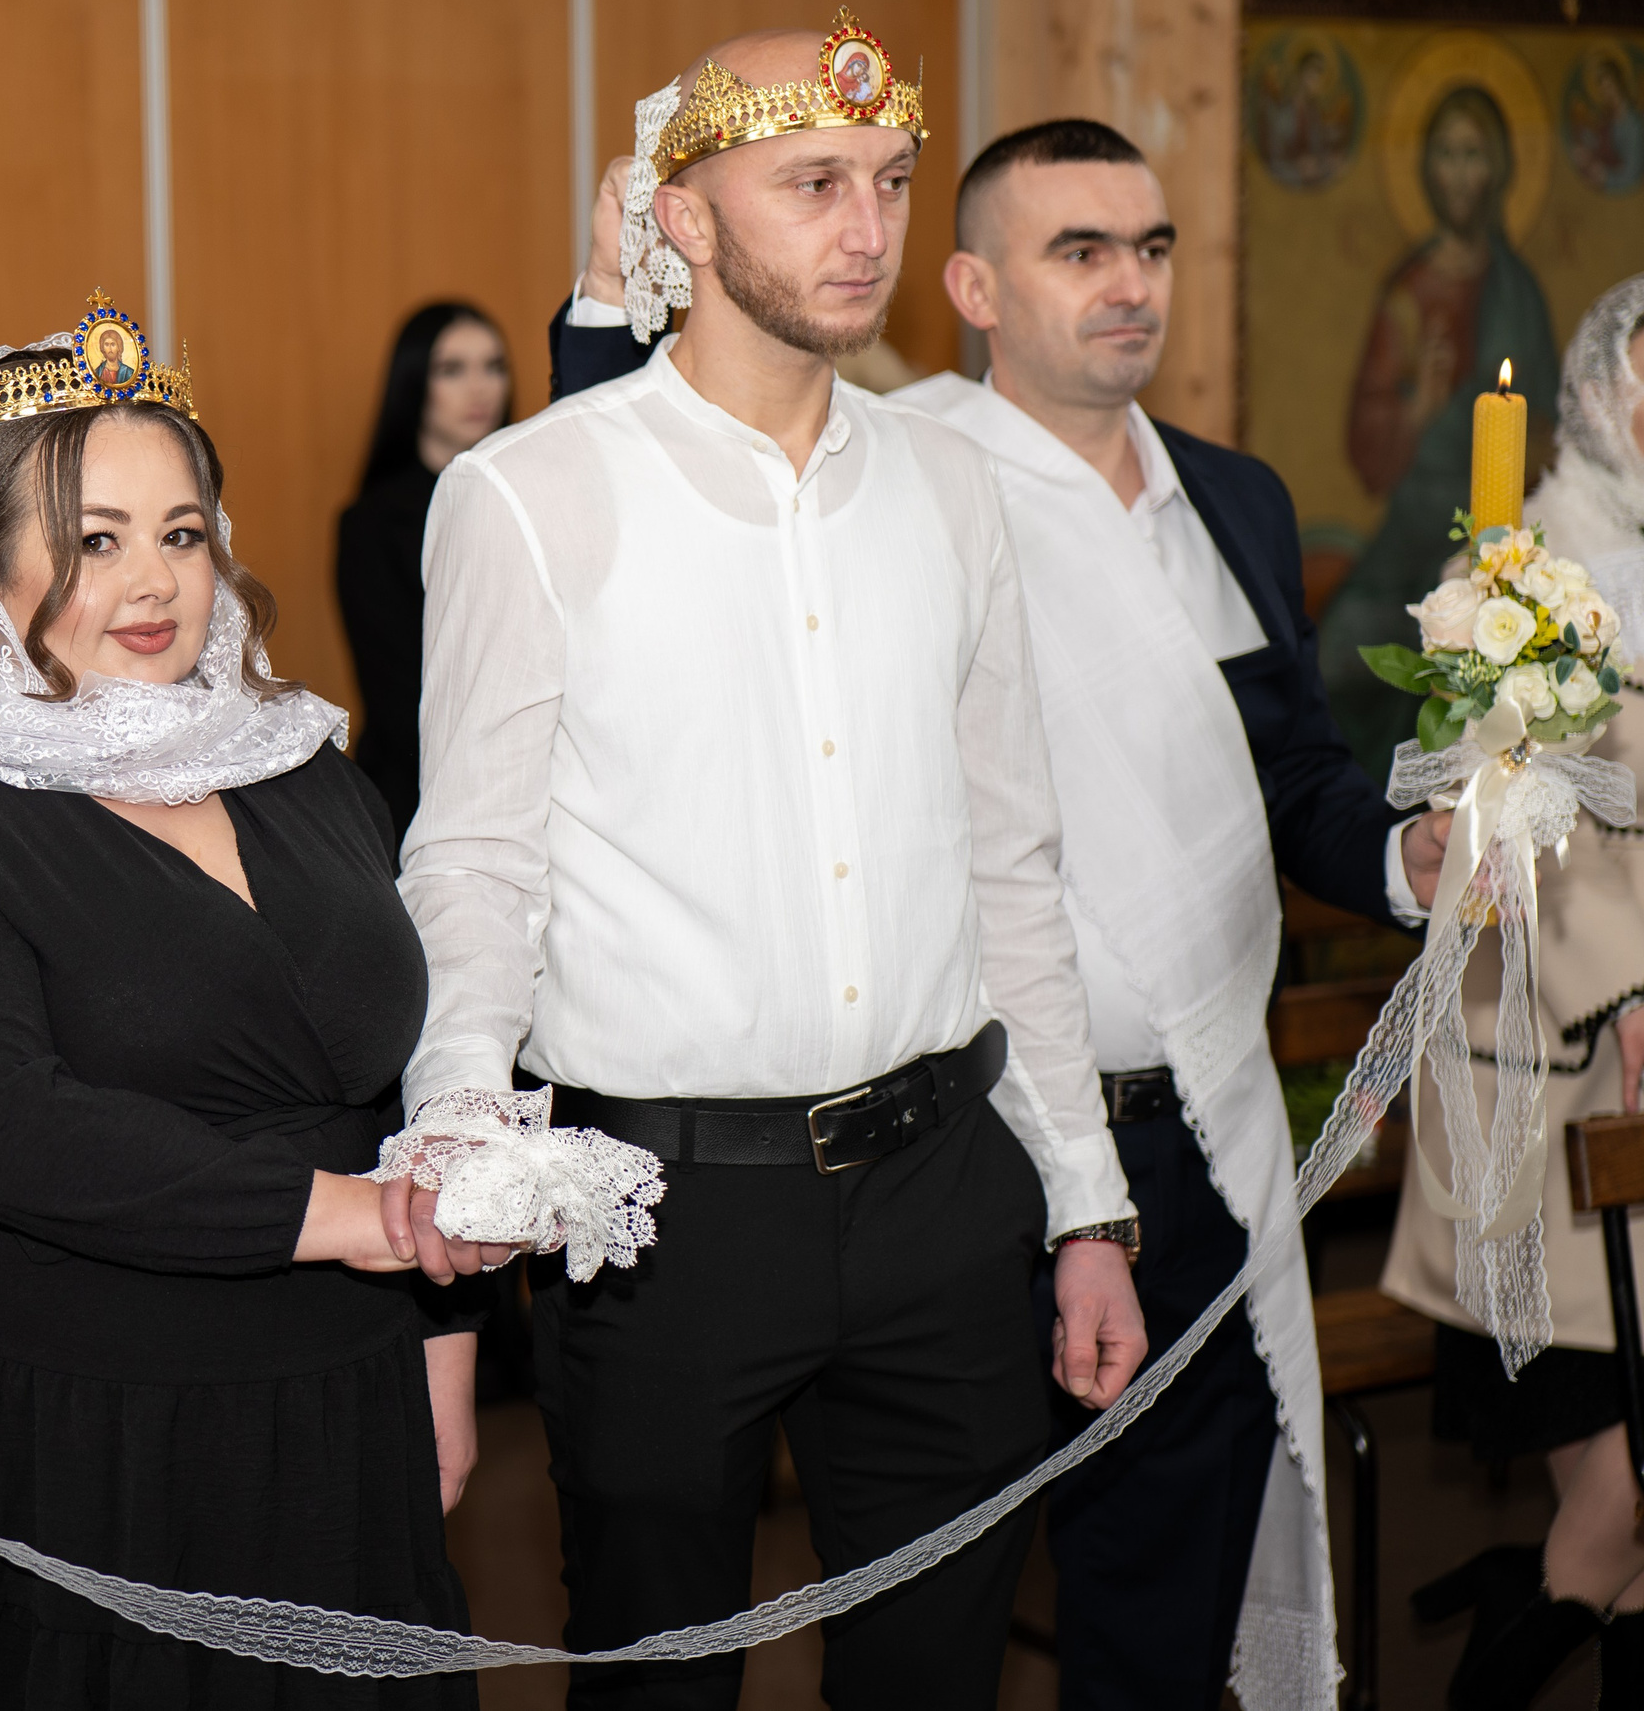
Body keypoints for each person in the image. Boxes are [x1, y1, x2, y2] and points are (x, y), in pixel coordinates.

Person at [549, 117, 1455, 1709]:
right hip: (983, 1142)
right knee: (934, 1596)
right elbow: (646, 498)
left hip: (1202, 1127)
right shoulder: (892, 464)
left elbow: (1288, 768)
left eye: (1154, 247)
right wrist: (608, 290)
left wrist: (1401, 863)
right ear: (968, 282)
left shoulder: (1232, 496)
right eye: (1079, 250)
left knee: (1165, 1579)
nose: (1130, 285)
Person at [390, 18, 1147, 1711]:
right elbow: (476, 861)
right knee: (660, 1679)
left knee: (939, 1671)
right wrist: (457, 1115)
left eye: (887, 183)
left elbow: (1013, 865)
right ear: (686, 217)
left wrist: (1084, 1201)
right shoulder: (530, 494)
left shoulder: (951, 485)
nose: (866, 228)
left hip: (944, 1192)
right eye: (813, 185)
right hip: (668, 1219)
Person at [0, 300, 493, 1708]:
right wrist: (359, 1218)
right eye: (93, 537)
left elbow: (397, 1072)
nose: (153, 579)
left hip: (336, 1387)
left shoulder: (298, 762)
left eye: (182, 529)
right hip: (59, 1418)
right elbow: (6, 1122)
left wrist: (452, 1333)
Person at [1382, 274, 1644, 1711]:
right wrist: (1625, 989)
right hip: (1553, 1082)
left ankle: (1535, 1605)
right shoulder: (1523, 577)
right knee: (1619, 1487)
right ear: (1605, 389)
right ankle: (1510, 1638)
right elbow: (1498, 826)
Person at [1321, 84, 1558, 781]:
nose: (1460, 173)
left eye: (1474, 155)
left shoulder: (1519, 290)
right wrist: (1417, 406)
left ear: (1501, 170)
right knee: (1338, 656)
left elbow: (1550, 425)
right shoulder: (1407, 291)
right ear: (1426, 170)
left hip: (1499, 538)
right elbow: (1368, 453)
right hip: (1411, 529)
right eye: (1447, 155)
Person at [334, 301, 511, 836]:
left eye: (494, 366)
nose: (479, 388)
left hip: (523, 779)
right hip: (417, 796)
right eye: (452, 369)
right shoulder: (372, 523)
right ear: (415, 383)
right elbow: (397, 697)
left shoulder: (527, 499)